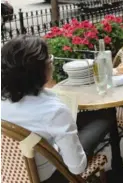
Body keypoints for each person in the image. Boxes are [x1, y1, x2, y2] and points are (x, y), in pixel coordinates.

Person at [1, 35, 115, 183]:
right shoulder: (53, 111)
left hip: (10, 176)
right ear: (39, 71)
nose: (52, 63)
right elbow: (77, 167)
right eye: (49, 59)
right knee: (105, 115)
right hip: (53, 177)